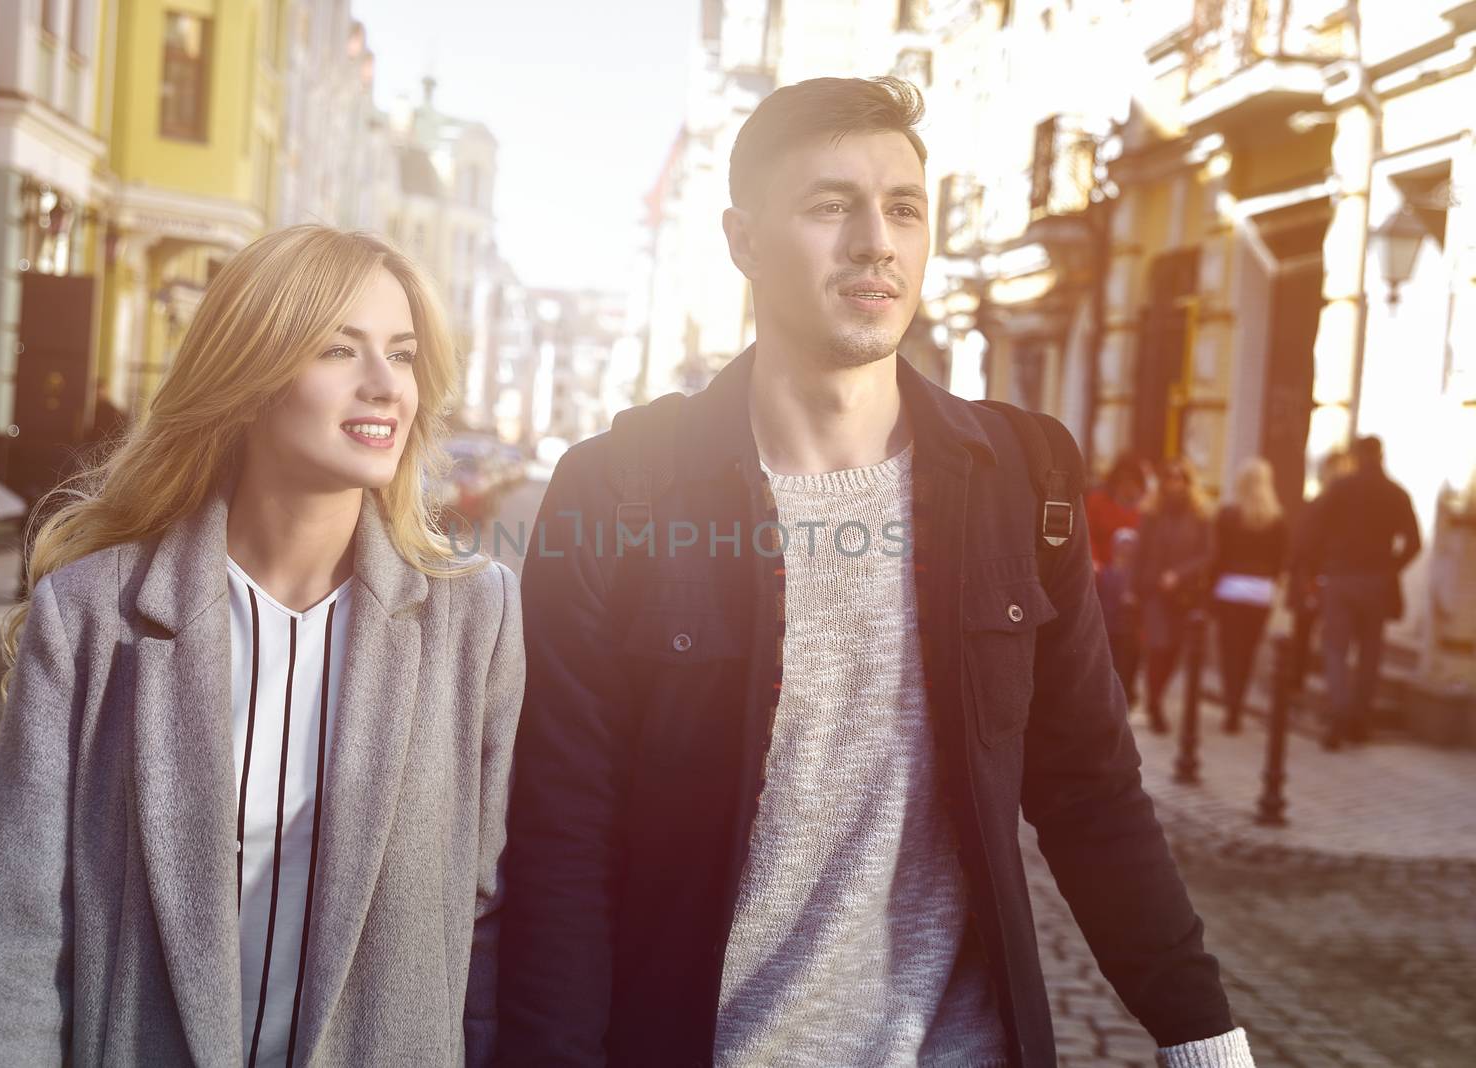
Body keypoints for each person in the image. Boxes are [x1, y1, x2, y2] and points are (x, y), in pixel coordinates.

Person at [498, 77, 1251, 1067]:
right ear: (742, 240)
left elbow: (1088, 790)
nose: (875, 242)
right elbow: (563, 840)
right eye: (828, 207)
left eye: (902, 207)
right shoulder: (620, 490)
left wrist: (1201, 1035)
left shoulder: (1025, 478)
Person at [0, 225, 523, 1066]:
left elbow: (491, 921)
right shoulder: (95, 615)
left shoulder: (478, 620)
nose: (387, 386)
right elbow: (14, 940)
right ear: (249, 374)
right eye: (338, 350)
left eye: (403, 353)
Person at [1296, 435, 1420, 749]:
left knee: (1335, 649)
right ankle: (1359, 721)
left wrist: (1313, 570)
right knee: (1370, 653)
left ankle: (1338, 712)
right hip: (1376, 582)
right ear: (1381, 456)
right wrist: (1391, 567)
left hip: (1340, 578)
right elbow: (1414, 543)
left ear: (1357, 456)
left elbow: (1311, 531)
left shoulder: (1340, 488)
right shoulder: (1396, 493)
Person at [1132, 457, 1214, 734]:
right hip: (1154, 590)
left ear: (1189, 482)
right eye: (1170, 477)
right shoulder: (1152, 512)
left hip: (1184, 594)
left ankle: (1157, 695)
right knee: (1158, 646)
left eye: (1180, 477)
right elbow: (1139, 552)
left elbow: (1207, 555)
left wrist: (1179, 574)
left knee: (1175, 651)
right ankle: (1154, 704)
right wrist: (1133, 588)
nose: (1174, 483)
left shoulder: (1200, 515)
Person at [1207, 458, 1287, 734]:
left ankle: (1231, 708)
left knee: (1230, 652)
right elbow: (1279, 562)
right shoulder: (1276, 519)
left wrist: (1209, 592)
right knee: (1248, 652)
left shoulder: (1228, 514)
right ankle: (1237, 704)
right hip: (1259, 593)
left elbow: (1217, 557)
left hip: (1230, 589)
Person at [1286, 448, 1353, 695]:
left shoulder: (1344, 510)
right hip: (1313, 577)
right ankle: (1298, 682)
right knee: (1304, 633)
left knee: (1329, 636)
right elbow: (1301, 544)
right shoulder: (1317, 505)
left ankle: (1326, 687)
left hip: (1333, 577)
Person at [1097, 527, 1143, 706]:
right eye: (1123, 546)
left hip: (1128, 629)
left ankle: (1125, 696)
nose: (1126, 551)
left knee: (1127, 664)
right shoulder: (1105, 573)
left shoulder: (1136, 577)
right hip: (1109, 626)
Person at [1086, 451, 1148, 571]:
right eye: (1124, 481)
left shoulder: (1144, 508)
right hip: (1101, 570)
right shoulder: (1097, 501)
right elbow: (1088, 534)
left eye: (1133, 481)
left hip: (1132, 575)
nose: (1128, 486)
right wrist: (1093, 560)